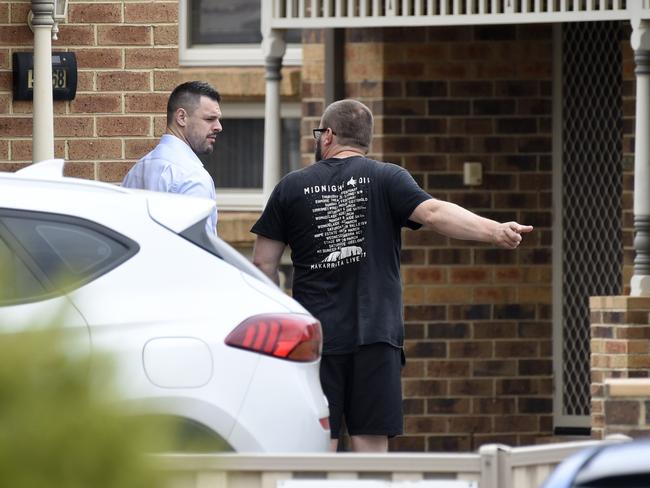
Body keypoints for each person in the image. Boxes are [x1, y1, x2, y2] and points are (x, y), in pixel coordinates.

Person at [251, 99, 533, 453]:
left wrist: (275, 327)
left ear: (328, 136)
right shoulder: (387, 177)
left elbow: (263, 264)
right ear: (364, 140)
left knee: (316, 445)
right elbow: (433, 212)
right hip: (376, 336)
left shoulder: (291, 186)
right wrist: (494, 230)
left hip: (314, 338)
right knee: (371, 447)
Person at [122, 81, 222, 236]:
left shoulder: (137, 170)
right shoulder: (192, 177)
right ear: (181, 117)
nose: (218, 127)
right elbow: (198, 252)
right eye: (210, 119)